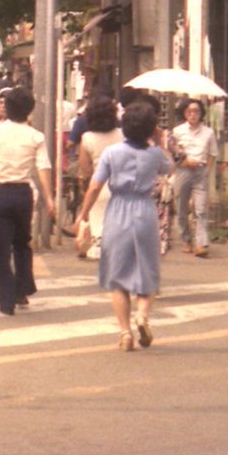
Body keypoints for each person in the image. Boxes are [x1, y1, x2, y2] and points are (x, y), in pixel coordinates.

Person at [76, 101, 172, 352]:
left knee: (118, 276)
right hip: (145, 211)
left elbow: (95, 187)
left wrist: (83, 215)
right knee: (147, 270)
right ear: (151, 129)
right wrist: (158, 142)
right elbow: (169, 167)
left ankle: (125, 333)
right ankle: (142, 315)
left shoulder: (112, 153)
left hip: (118, 211)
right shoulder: (154, 154)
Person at [0, 86, 55, 316]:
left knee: (1, 252)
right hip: (23, 195)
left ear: (6, 108)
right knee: (22, 244)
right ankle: (22, 290)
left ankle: (6, 302)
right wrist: (49, 198)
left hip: (1, 193)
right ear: (29, 111)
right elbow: (43, 169)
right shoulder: (35, 136)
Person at [170, 98, 219, 257]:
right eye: (189, 111)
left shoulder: (208, 132)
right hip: (183, 171)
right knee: (182, 208)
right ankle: (186, 239)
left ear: (201, 113)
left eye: (196, 111)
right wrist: (183, 162)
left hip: (201, 171)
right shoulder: (177, 131)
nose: (193, 114)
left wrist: (207, 170)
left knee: (201, 209)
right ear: (184, 113)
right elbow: (171, 152)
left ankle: (201, 244)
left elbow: (213, 154)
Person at [77, 94, 124, 261]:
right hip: (122, 186)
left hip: (98, 188)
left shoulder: (87, 138)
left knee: (99, 228)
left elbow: (85, 169)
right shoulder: (123, 134)